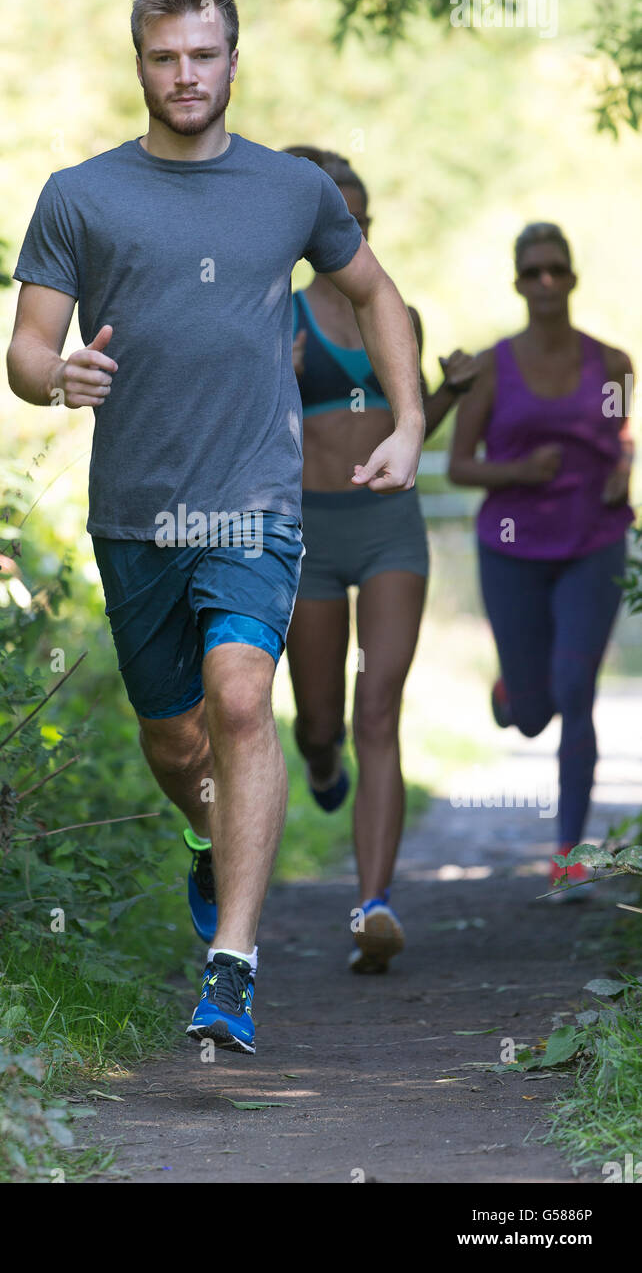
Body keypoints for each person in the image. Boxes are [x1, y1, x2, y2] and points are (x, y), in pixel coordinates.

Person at [6, 0, 424, 1053]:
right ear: (138, 62)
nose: (183, 75)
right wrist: (58, 378)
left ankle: (229, 965)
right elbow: (23, 346)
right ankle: (208, 835)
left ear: (234, 61)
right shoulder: (79, 194)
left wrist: (409, 422)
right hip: (135, 508)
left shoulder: (289, 189)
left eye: (202, 54)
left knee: (240, 700)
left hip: (251, 500)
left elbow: (374, 293)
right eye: (163, 56)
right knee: (170, 730)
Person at [282, 146, 477, 971]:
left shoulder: (397, 309)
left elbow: (408, 426)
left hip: (389, 527)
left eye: (361, 216)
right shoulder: (277, 314)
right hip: (310, 531)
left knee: (380, 711)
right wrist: (275, 381)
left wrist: (448, 395)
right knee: (323, 722)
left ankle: (373, 907)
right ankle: (319, 761)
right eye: (337, 215)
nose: (350, 227)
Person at [449, 223, 635, 892]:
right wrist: (523, 471)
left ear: (574, 276)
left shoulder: (613, 363)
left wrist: (623, 471)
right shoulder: (495, 368)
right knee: (532, 714)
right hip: (511, 545)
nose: (547, 281)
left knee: (575, 691)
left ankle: (567, 854)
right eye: (534, 272)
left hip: (594, 541)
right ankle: (511, 692)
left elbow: (620, 434)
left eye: (557, 268)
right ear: (518, 283)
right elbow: (461, 466)